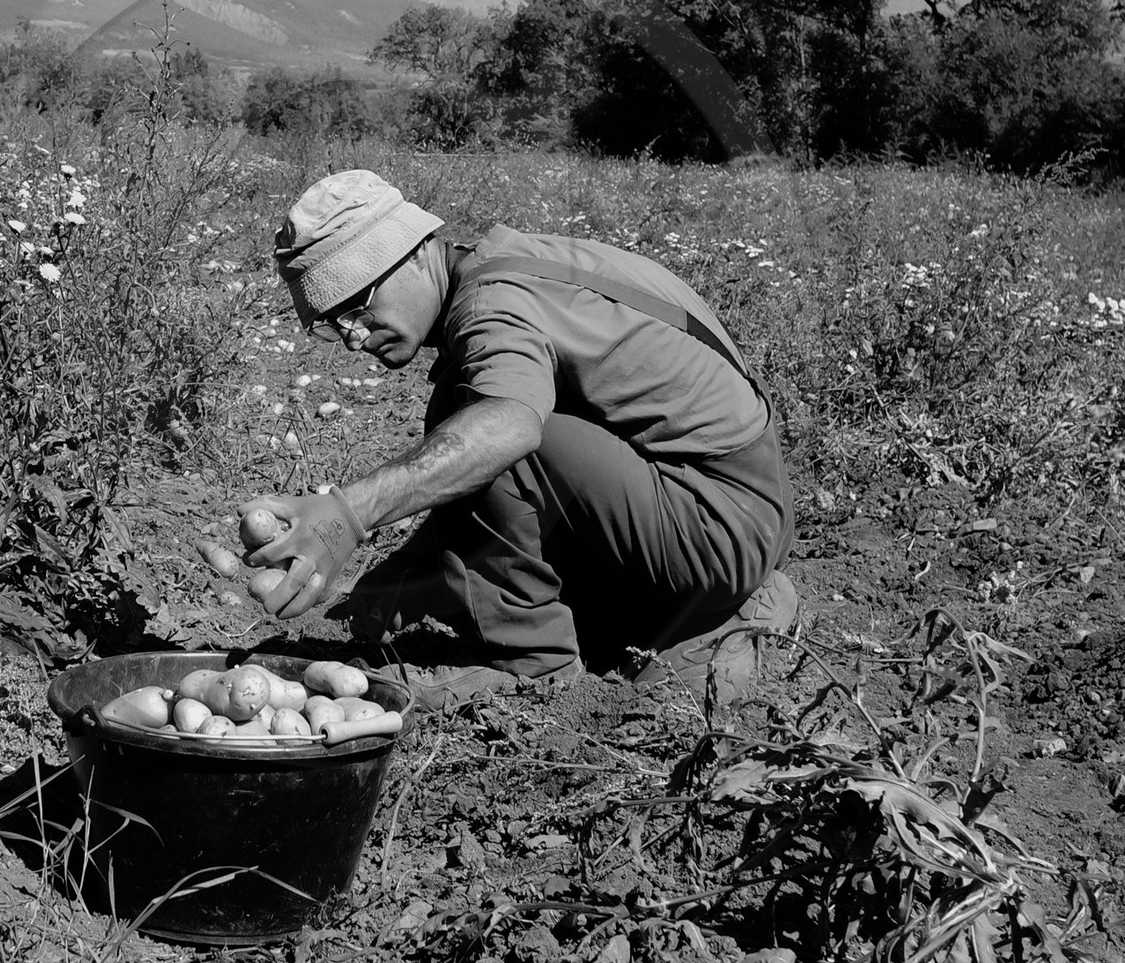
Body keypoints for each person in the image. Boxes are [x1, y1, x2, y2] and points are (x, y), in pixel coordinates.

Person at [239, 169, 796, 708]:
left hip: (723, 526)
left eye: (358, 305)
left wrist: (346, 515)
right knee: (470, 421)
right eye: (333, 323)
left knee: (483, 430)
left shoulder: (489, 307)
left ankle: (534, 663)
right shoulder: (505, 264)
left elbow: (506, 432)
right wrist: (396, 583)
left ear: (413, 252)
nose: (355, 338)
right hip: (740, 503)